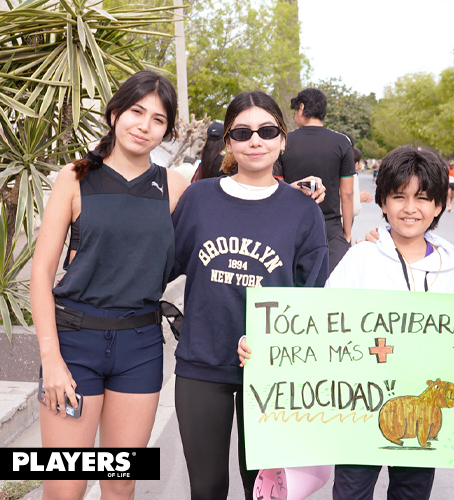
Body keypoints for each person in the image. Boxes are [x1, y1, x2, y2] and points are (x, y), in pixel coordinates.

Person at [30, 70, 189, 500]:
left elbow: (236, 212)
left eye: (158, 119)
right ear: (115, 114)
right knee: (65, 487)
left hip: (139, 347)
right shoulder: (75, 178)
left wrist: (301, 200)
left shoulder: (175, 187)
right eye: (137, 112)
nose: (145, 125)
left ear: (166, 130)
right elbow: (41, 275)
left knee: (120, 487)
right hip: (74, 344)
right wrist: (53, 360)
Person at [172, 90, 329, 500]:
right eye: (242, 132)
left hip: (271, 373)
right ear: (228, 142)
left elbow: (311, 296)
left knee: (264, 490)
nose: (255, 140)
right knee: (206, 489)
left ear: (282, 140)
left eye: (267, 130)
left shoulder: (302, 209)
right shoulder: (199, 199)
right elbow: (165, 261)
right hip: (202, 364)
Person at [327, 145, 454, 500]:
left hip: (420, 414)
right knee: (351, 492)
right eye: (398, 196)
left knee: (412, 491)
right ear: (383, 202)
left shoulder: (449, 270)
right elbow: (323, 320)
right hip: (362, 408)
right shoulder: (361, 257)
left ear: (439, 205)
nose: (409, 208)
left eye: (422, 198)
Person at [280, 88, 355, 273]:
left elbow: (277, 188)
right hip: (330, 229)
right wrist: (346, 234)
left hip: (292, 226)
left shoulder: (283, 142)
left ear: (302, 107)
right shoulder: (342, 142)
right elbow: (347, 193)